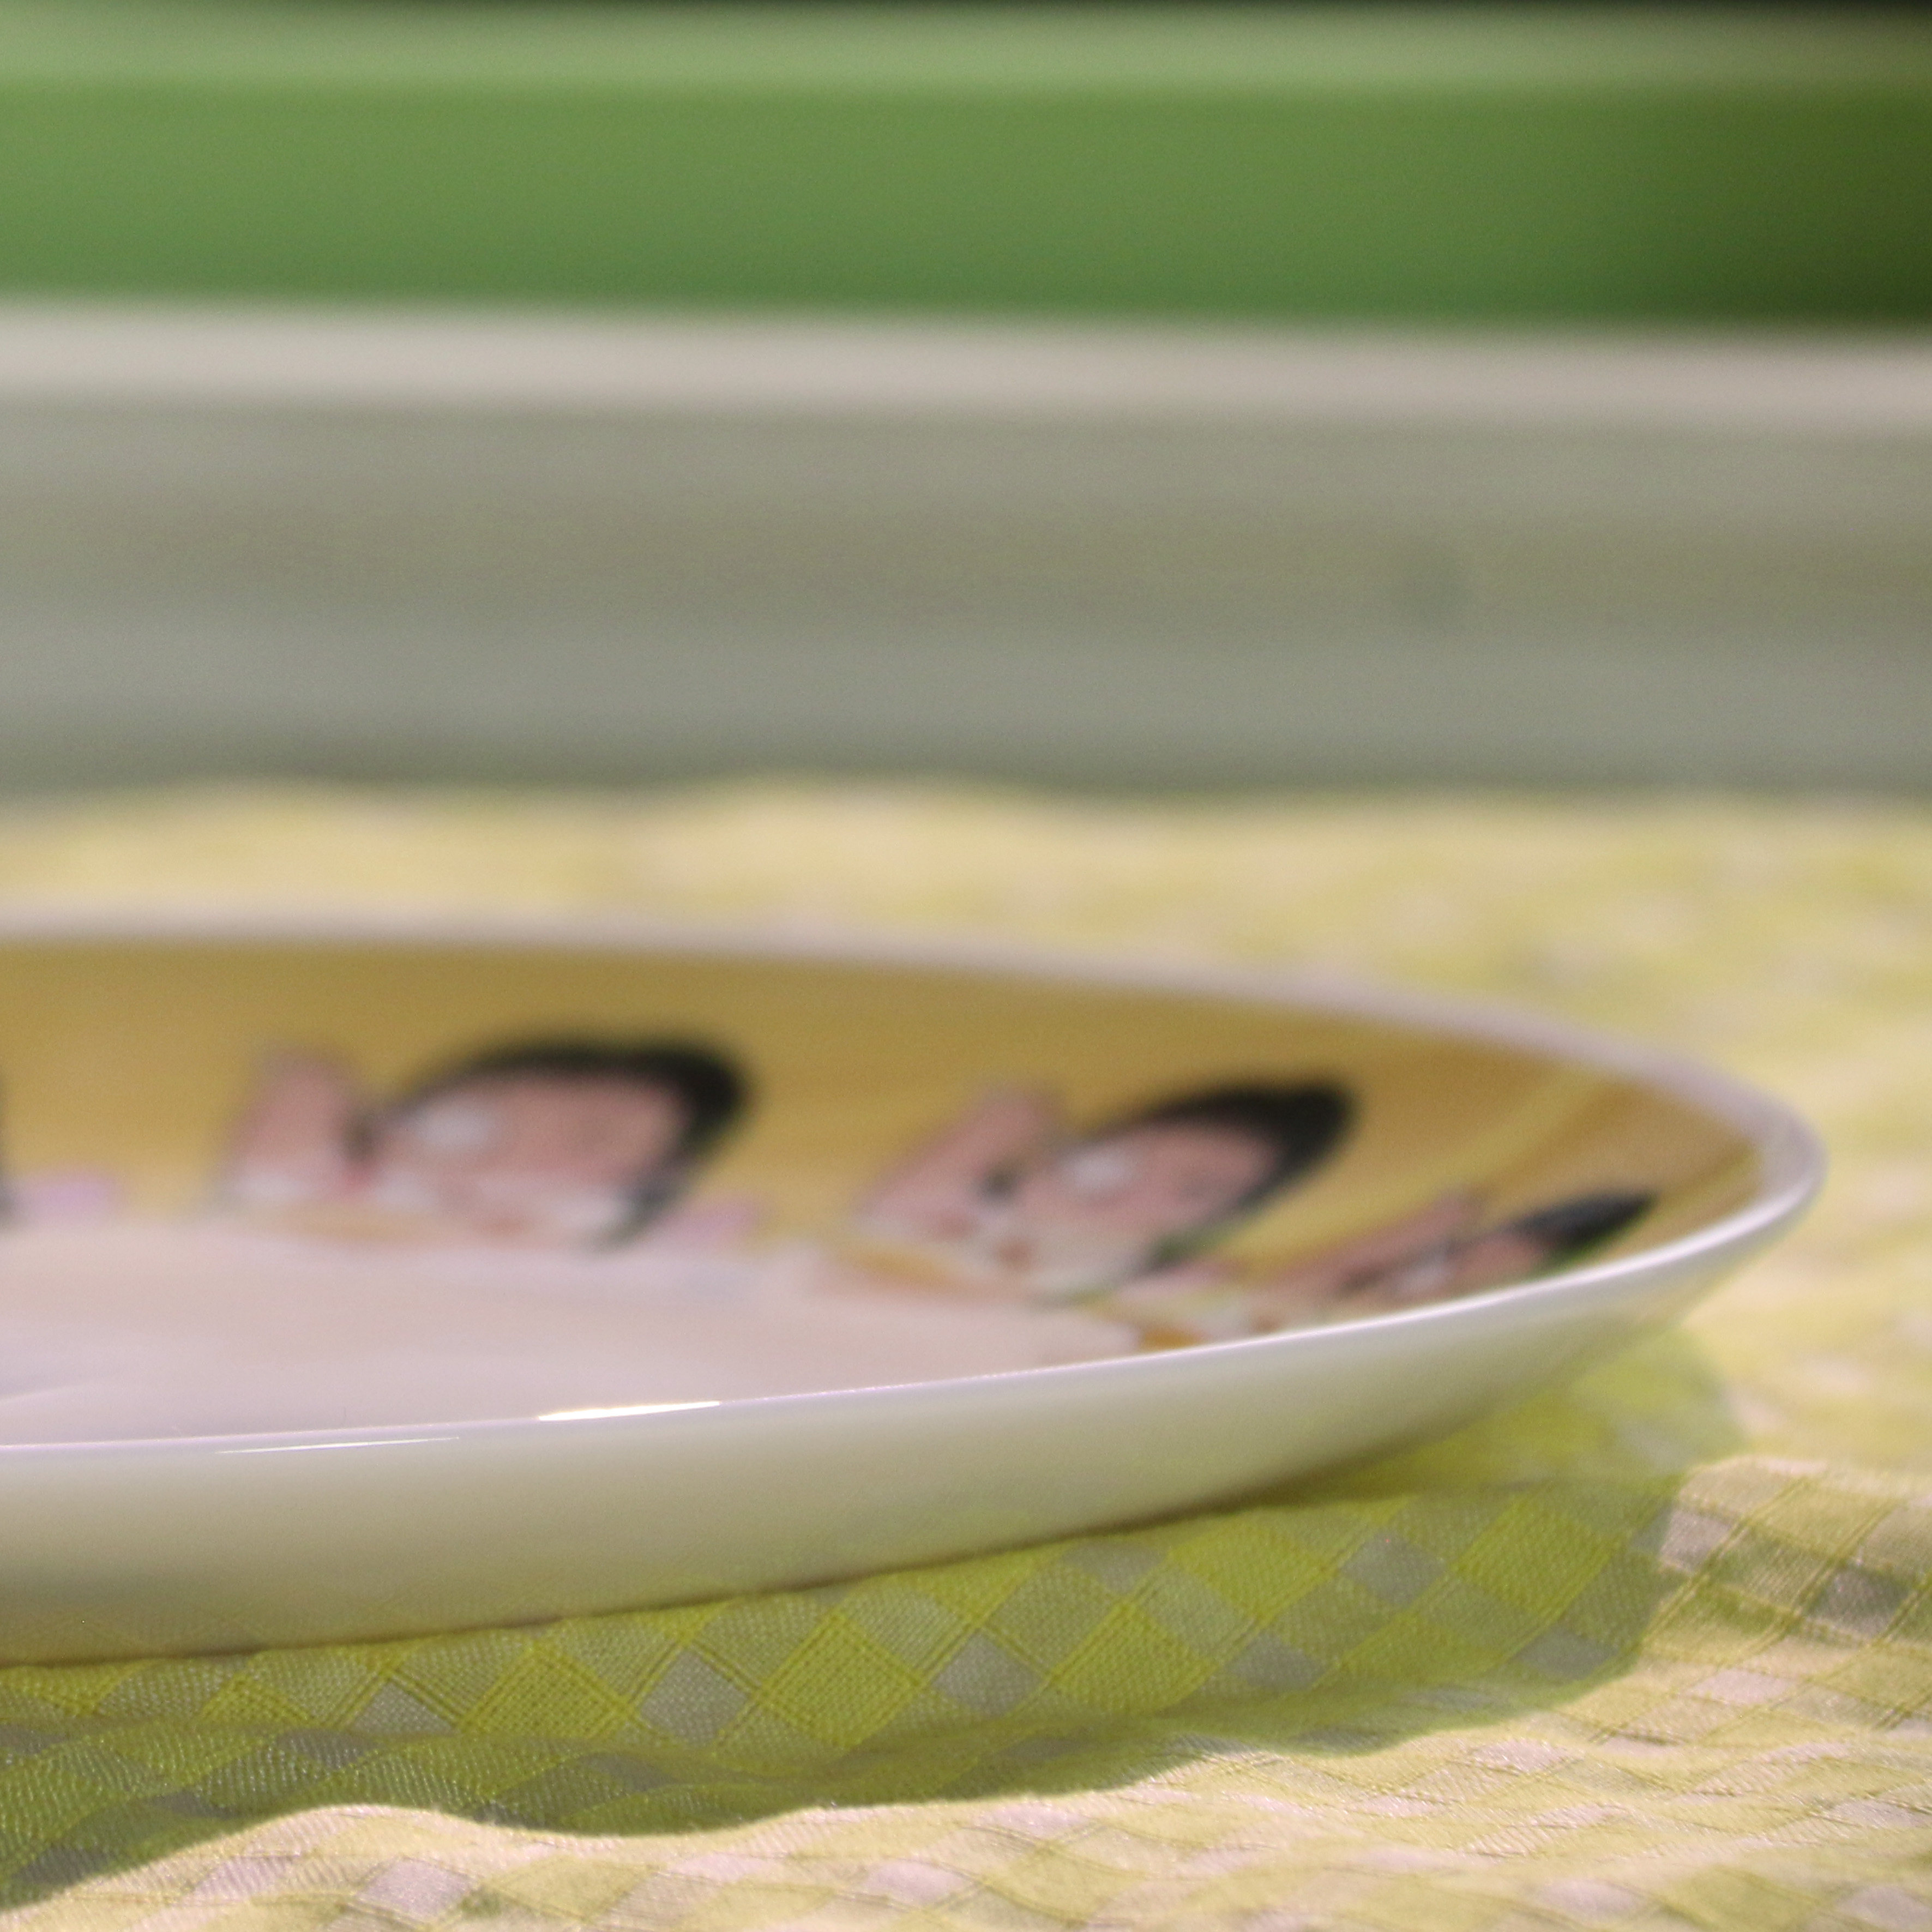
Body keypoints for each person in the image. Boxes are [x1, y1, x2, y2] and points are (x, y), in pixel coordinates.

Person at [850, 1080, 1354, 1302]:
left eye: (1194, 1189)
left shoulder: (1148, 1284)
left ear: (1216, 1220)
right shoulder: (951, 1204)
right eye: (1134, 1154)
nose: (1139, 1186)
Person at [218, 1038, 749, 1248]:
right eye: (482, 1118)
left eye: (592, 1137)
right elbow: (277, 1181)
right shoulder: (332, 1180)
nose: (525, 1148)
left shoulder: (576, 1225)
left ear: (657, 1177)